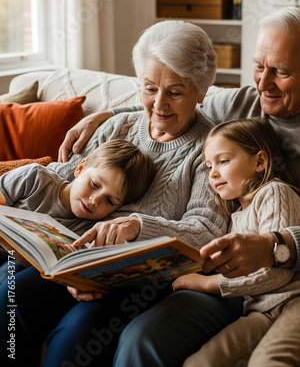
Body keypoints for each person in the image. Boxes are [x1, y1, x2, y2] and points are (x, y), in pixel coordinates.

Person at [105, 6, 300, 367]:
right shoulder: (241, 102)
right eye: (258, 66)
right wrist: (106, 117)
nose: (263, 84)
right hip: (237, 283)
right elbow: (173, 98)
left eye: (280, 72)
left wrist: (276, 248)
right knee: (143, 339)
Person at [0, 19, 230, 367]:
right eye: (150, 88)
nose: (159, 104)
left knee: (72, 346)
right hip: (72, 263)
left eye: (176, 92)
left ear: (201, 92)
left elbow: (207, 231)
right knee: (9, 303)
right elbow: (70, 176)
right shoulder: (117, 126)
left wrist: (139, 225)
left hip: (133, 284)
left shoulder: (210, 150)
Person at [174, 117, 300, 367]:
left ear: (260, 161)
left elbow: (276, 273)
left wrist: (207, 284)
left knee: (270, 362)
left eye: (223, 161)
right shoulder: (234, 218)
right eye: (208, 165)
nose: (213, 173)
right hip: (262, 310)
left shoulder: (274, 193)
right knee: (200, 363)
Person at [0, 138, 156, 282]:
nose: (94, 200)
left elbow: (43, 266)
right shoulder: (34, 177)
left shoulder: (87, 231)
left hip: (18, 265)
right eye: (94, 184)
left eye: (109, 201)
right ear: (80, 169)